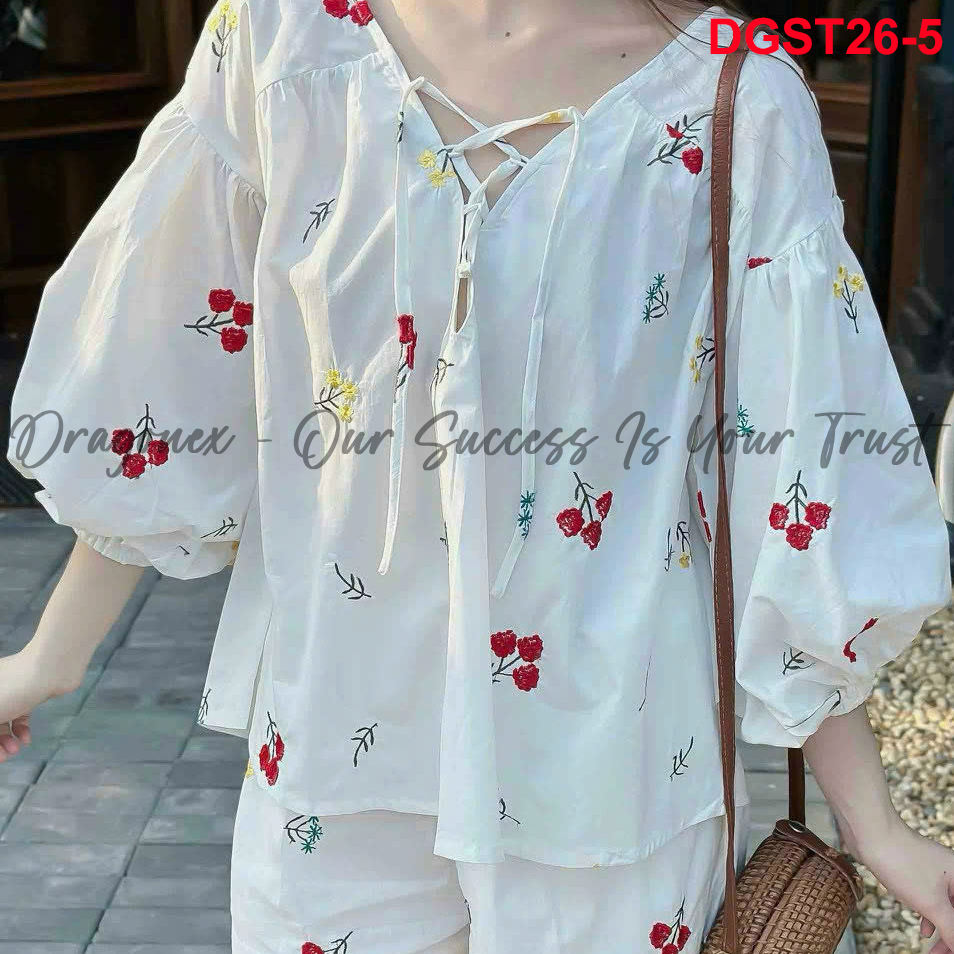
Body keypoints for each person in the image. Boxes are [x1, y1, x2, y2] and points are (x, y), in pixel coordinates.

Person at [3, 1, 954, 951]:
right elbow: (164, 380)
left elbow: (793, 488)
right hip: (334, 755)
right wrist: (49, 661)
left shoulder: (735, 96)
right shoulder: (281, 42)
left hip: (609, 773)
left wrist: (875, 829)